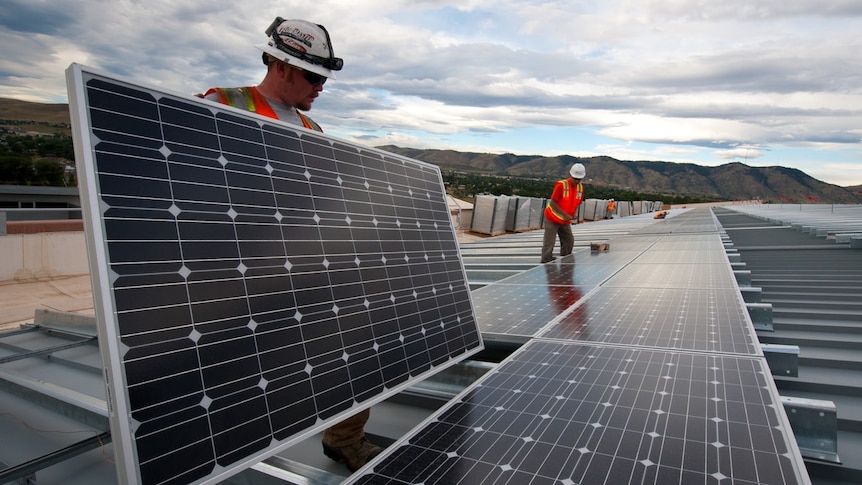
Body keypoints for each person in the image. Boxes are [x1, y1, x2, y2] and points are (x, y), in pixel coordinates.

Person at [203, 17, 381, 473]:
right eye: (313, 76)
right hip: (238, 271)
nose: (321, 87)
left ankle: (345, 437)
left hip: (298, 264)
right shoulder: (220, 104)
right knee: (240, 375)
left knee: (354, 340)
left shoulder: (311, 128)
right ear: (281, 65)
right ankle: (220, 456)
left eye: (324, 78)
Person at [540, 163, 586, 263]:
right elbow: (553, 203)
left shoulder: (580, 188)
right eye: (575, 178)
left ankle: (565, 260)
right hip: (552, 218)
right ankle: (546, 261)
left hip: (565, 220)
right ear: (571, 175)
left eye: (579, 179)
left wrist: (574, 213)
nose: (577, 181)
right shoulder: (561, 185)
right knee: (549, 243)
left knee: (569, 241)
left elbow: (577, 202)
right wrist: (565, 215)